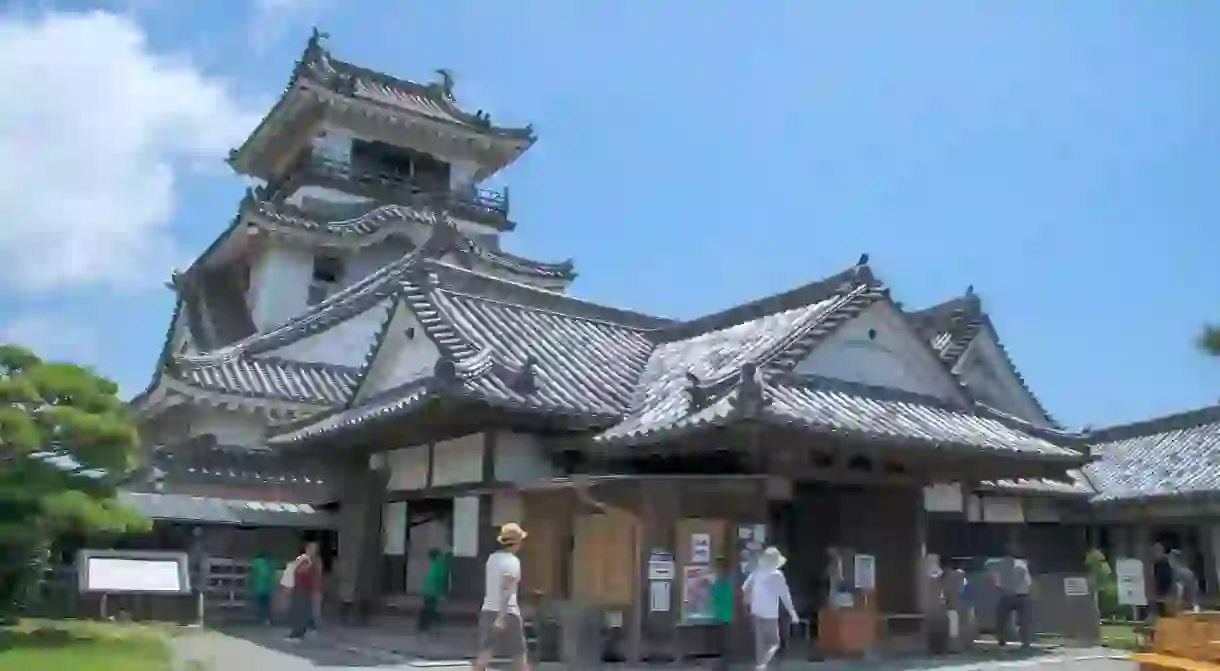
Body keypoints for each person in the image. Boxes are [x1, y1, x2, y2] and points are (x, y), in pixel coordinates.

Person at [474, 523, 530, 671]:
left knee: (485, 652)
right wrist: (502, 616)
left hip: (488, 609)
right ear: (516, 542)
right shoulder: (512, 561)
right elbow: (506, 588)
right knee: (519, 653)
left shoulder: (492, 559)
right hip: (508, 611)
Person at [743, 547, 799, 671]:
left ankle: (760, 664)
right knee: (774, 642)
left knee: (760, 642)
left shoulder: (756, 572)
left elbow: (746, 588)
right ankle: (762, 665)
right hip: (770, 613)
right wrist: (792, 612)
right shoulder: (777, 575)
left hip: (756, 610)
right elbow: (784, 595)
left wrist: (748, 602)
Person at [991, 544, 1033, 650]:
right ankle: (1024, 641)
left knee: (1003, 617)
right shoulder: (1019, 564)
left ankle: (1003, 639)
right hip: (1018, 594)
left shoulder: (1002, 564)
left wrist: (1002, 588)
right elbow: (1027, 580)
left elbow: (997, 579)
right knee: (1023, 618)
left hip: (1011, 594)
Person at [285, 541, 323, 643]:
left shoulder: (315, 561)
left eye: (315, 549)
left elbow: (317, 575)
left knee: (304, 610)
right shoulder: (302, 559)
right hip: (299, 588)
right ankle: (298, 632)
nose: (313, 551)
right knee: (298, 611)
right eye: (311, 548)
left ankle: (299, 633)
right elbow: (293, 571)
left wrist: (317, 589)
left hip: (307, 589)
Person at [709, 554, 735, 669]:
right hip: (728, 616)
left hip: (720, 616)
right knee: (724, 642)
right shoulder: (729, 580)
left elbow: (715, 595)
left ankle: (721, 665)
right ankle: (724, 664)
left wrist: (711, 584)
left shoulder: (720, 581)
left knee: (719, 643)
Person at [419, 546, 450, 632]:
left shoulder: (434, 564)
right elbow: (439, 579)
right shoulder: (438, 564)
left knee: (428, 609)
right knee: (430, 609)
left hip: (431, 591)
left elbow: (434, 579)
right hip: (433, 591)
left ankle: (426, 625)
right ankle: (434, 621)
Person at [249, 552, 275, 625]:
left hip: (258, 588)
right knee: (266, 605)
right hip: (267, 589)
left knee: (260, 605)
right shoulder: (269, 564)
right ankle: (266, 619)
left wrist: (251, 584)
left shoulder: (256, 563)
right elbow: (271, 576)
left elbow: (253, 575)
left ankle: (261, 619)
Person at [1169, 549, 1199, 613]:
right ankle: (1194, 607)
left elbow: (1180, 588)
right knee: (1192, 596)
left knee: (1188, 594)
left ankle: (1189, 608)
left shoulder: (1176, 568)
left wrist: (1177, 604)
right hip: (1190, 578)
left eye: (1170, 557)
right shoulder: (1181, 565)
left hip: (1188, 579)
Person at [1151, 543, 1175, 619]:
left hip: (1166, 590)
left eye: (1156, 551)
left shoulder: (1165, 562)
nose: (1154, 554)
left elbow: (1168, 577)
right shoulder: (1157, 563)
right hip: (1161, 590)